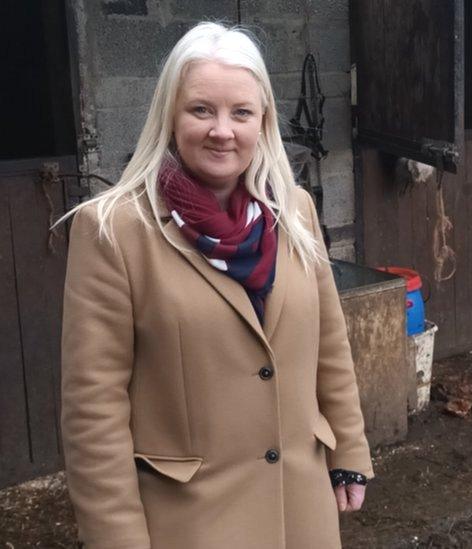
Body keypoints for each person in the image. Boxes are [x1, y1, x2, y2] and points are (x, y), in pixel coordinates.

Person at [59, 22, 372, 549]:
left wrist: (349, 452)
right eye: (201, 109)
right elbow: (94, 409)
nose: (222, 130)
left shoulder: (293, 211)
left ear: (263, 120)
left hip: (301, 506)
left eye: (241, 112)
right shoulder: (114, 229)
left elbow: (329, 344)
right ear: (170, 116)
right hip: (192, 522)